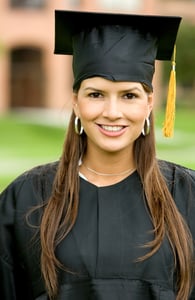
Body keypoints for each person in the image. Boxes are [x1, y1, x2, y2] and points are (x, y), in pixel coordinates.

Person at [0, 9, 195, 300]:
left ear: (149, 103)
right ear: (76, 102)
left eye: (129, 95)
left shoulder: (187, 195)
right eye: (96, 94)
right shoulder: (26, 197)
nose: (112, 112)